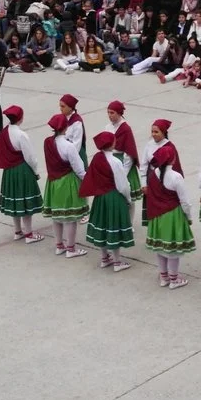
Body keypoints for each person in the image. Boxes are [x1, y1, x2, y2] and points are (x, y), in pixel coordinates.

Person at [80, 131, 133, 272]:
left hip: (100, 197)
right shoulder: (115, 161)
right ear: (111, 144)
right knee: (113, 227)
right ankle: (117, 262)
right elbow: (122, 185)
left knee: (103, 226)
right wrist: (128, 198)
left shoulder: (97, 158)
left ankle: (105, 258)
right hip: (114, 197)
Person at [145, 144, 196, 289]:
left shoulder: (153, 174)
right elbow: (184, 201)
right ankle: (174, 279)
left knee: (160, 248)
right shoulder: (176, 176)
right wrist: (188, 216)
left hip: (157, 215)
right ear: (173, 159)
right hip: (172, 215)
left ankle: (164, 277)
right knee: (173, 250)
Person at [0, 105, 44, 244]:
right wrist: (35, 171)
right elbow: (30, 157)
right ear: (21, 118)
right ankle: (29, 234)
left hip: (9, 171)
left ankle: (17, 231)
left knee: (15, 202)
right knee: (26, 202)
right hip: (22, 170)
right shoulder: (22, 135)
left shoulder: (4, 132)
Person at [42, 114, 88, 258]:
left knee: (57, 216)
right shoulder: (69, 146)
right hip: (67, 182)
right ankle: (71, 249)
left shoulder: (47, 142)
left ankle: (59, 245)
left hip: (53, 182)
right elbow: (79, 168)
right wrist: (88, 180)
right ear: (66, 127)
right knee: (70, 217)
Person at [139, 119, 184, 228]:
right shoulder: (149, 145)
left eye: (156, 132)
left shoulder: (170, 147)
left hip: (164, 182)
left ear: (163, 132)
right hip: (151, 180)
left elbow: (175, 167)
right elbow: (144, 165)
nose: (153, 134)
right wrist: (144, 183)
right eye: (152, 131)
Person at [104, 100, 143, 214]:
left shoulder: (125, 129)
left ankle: (129, 221)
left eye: (112, 113)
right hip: (111, 161)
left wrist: (122, 173)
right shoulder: (108, 127)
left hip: (124, 164)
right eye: (108, 112)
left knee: (128, 198)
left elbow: (129, 153)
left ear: (119, 113)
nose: (110, 115)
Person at [58, 93, 86, 167]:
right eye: (60, 106)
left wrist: (69, 158)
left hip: (76, 155)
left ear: (70, 108)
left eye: (63, 106)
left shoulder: (77, 122)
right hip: (65, 153)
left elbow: (77, 144)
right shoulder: (61, 118)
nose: (60, 109)